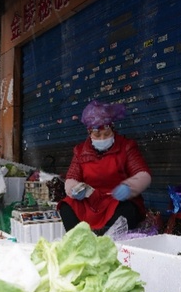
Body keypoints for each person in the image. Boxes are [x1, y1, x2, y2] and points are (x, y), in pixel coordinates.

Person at [57, 100, 151, 234]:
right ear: (89, 133)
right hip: (91, 201)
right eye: (97, 135)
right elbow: (72, 177)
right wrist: (75, 189)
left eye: (106, 134)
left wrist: (129, 187)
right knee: (67, 206)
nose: (102, 138)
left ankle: (110, 243)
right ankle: (80, 242)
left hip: (118, 201)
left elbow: (143, 174)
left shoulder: (126, 146)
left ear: (112, 129)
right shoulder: (80, 151)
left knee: (127, 211)